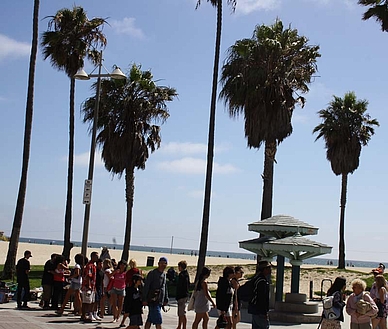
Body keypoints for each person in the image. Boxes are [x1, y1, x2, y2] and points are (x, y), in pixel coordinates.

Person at [142, 256, 169, 329]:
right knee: (158, 320)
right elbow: (146, 286)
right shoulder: (152, 273)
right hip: (153, 300)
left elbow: (165, 287)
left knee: (150, 319)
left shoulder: (164, 274)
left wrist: (166, 299)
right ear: (158, 263)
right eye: (162, 263)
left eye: (165, 263)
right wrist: (144, 299)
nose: (163, 265)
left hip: (160, 301)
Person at [248, 261, 272, 329]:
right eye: (269, 268)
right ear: (264, 269)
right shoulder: (262, 281)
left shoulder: (256, 278)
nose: (270, 270)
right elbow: (262, 298)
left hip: (255, 309)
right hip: (259, 311)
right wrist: (264, 312)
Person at [121, 259, 143, 327]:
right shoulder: (138, 271)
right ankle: (123, 321)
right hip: (134, 308)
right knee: (134, 325)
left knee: (135, 325)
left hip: (135, 307)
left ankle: (122, 322)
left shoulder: (128, 272)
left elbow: (126, 281)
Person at [81, 251, 99, 322]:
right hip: (88, 286)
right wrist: (89, 285)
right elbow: (88, 276)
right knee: (86, 302)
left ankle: (87, 315)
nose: (97, 258)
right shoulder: (90, 266)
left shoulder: (93, 265)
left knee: (90, 301)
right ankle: (84, 315)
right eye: (96, 256)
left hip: (92, 286)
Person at [176, 260, 190, 329]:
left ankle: (181, 326)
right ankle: (181, 326)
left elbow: (180, 286)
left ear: (180, 267)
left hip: (181, 295)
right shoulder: (186, 274)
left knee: (181, 313)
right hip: (185, 295)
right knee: (181, 313)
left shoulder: (182, 275)